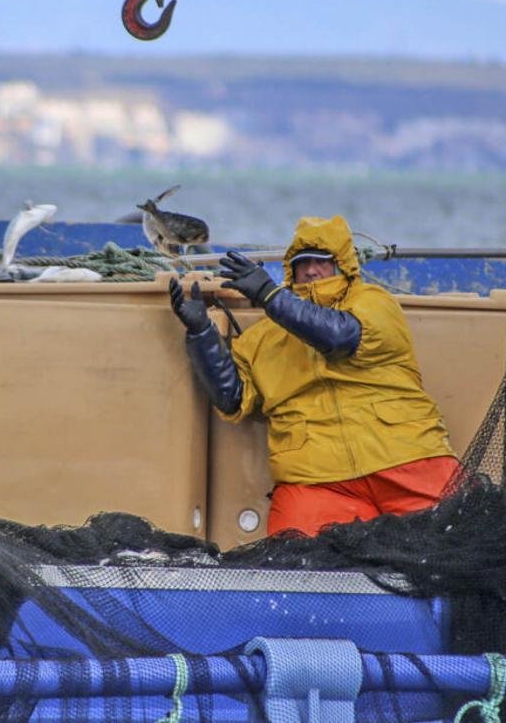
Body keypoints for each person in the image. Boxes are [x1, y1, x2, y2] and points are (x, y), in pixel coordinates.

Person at [169, 215, 459, 537]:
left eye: (321, 262)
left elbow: (339, 336)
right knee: (293, 557)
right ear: (290, 270)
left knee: (455, 543)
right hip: (315, 477)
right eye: (301, 262)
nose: (310, 270)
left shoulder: (374, 303)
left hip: (406, 458)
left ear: (344, 266)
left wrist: (268, 294)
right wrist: (201, 334)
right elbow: (233, 398)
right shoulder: (262, 337)